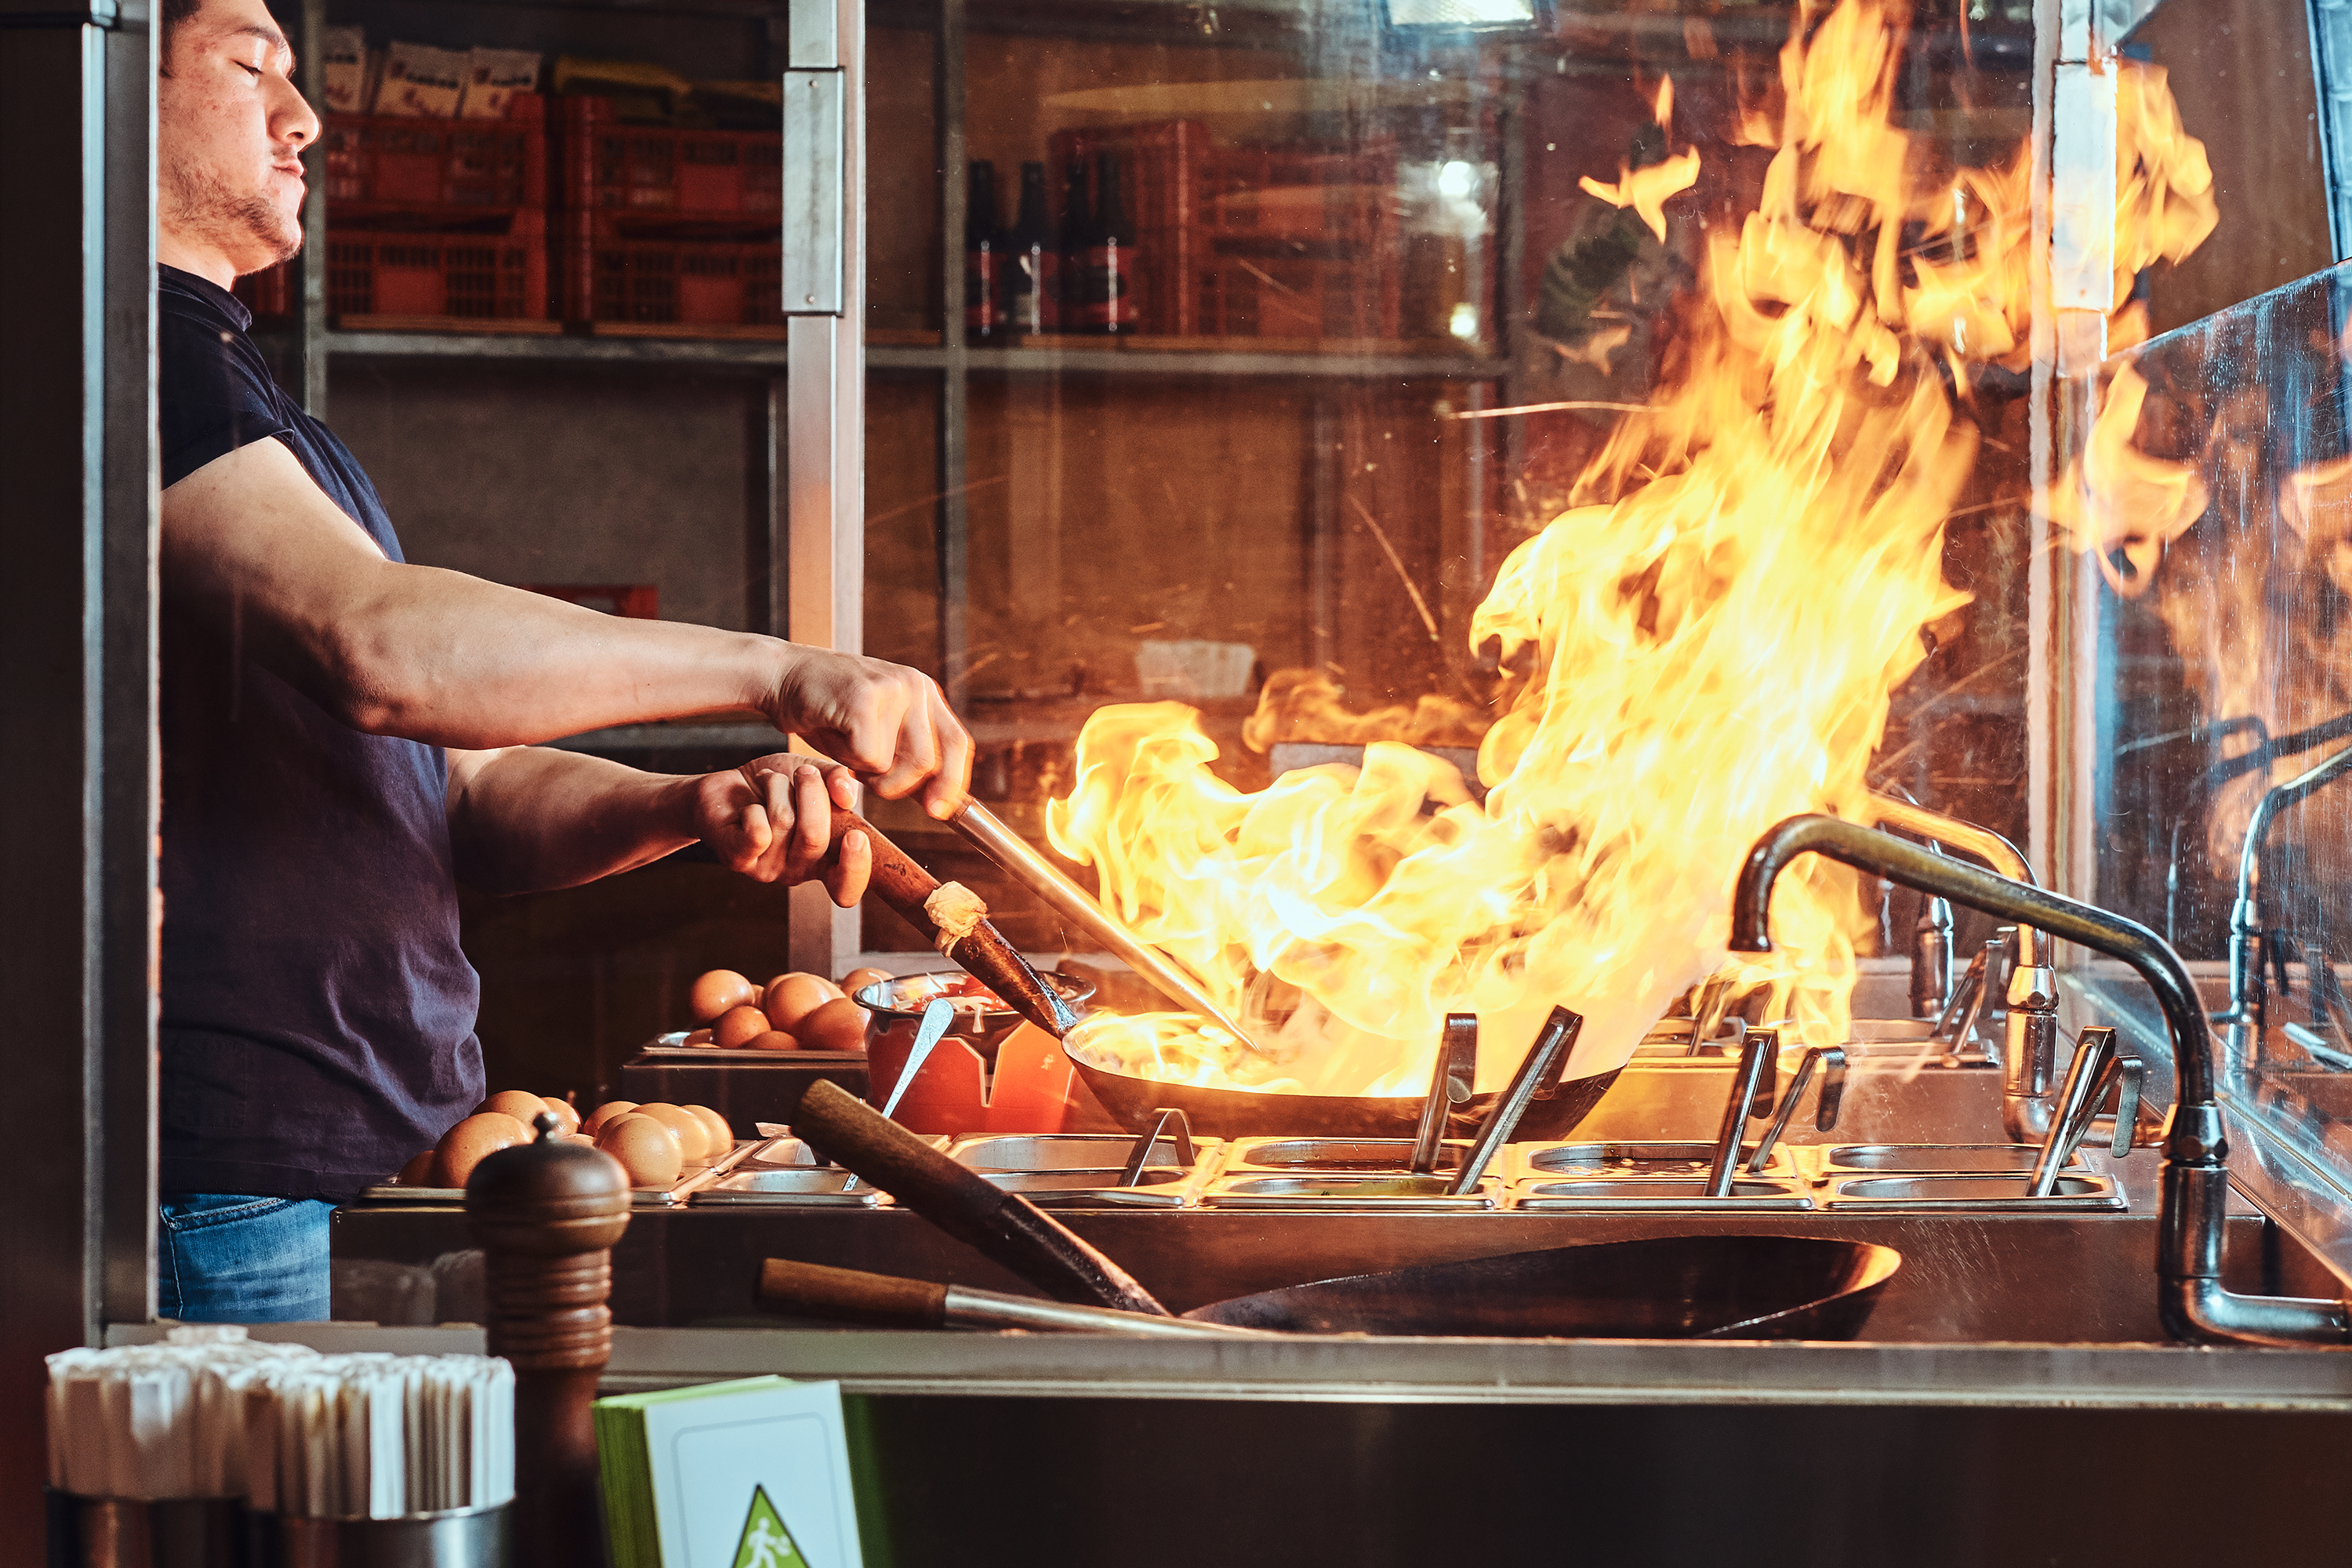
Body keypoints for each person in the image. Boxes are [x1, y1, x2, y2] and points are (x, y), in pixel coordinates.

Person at [153, 0, 970, 1320]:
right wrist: (777, 669)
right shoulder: (134, 354)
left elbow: (447, 791)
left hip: (361, 1156)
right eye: (250, 69)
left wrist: (678, 807)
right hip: (228, 1178)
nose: (303, 120)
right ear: (108, 94)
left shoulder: (249, 406)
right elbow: (383, 650)